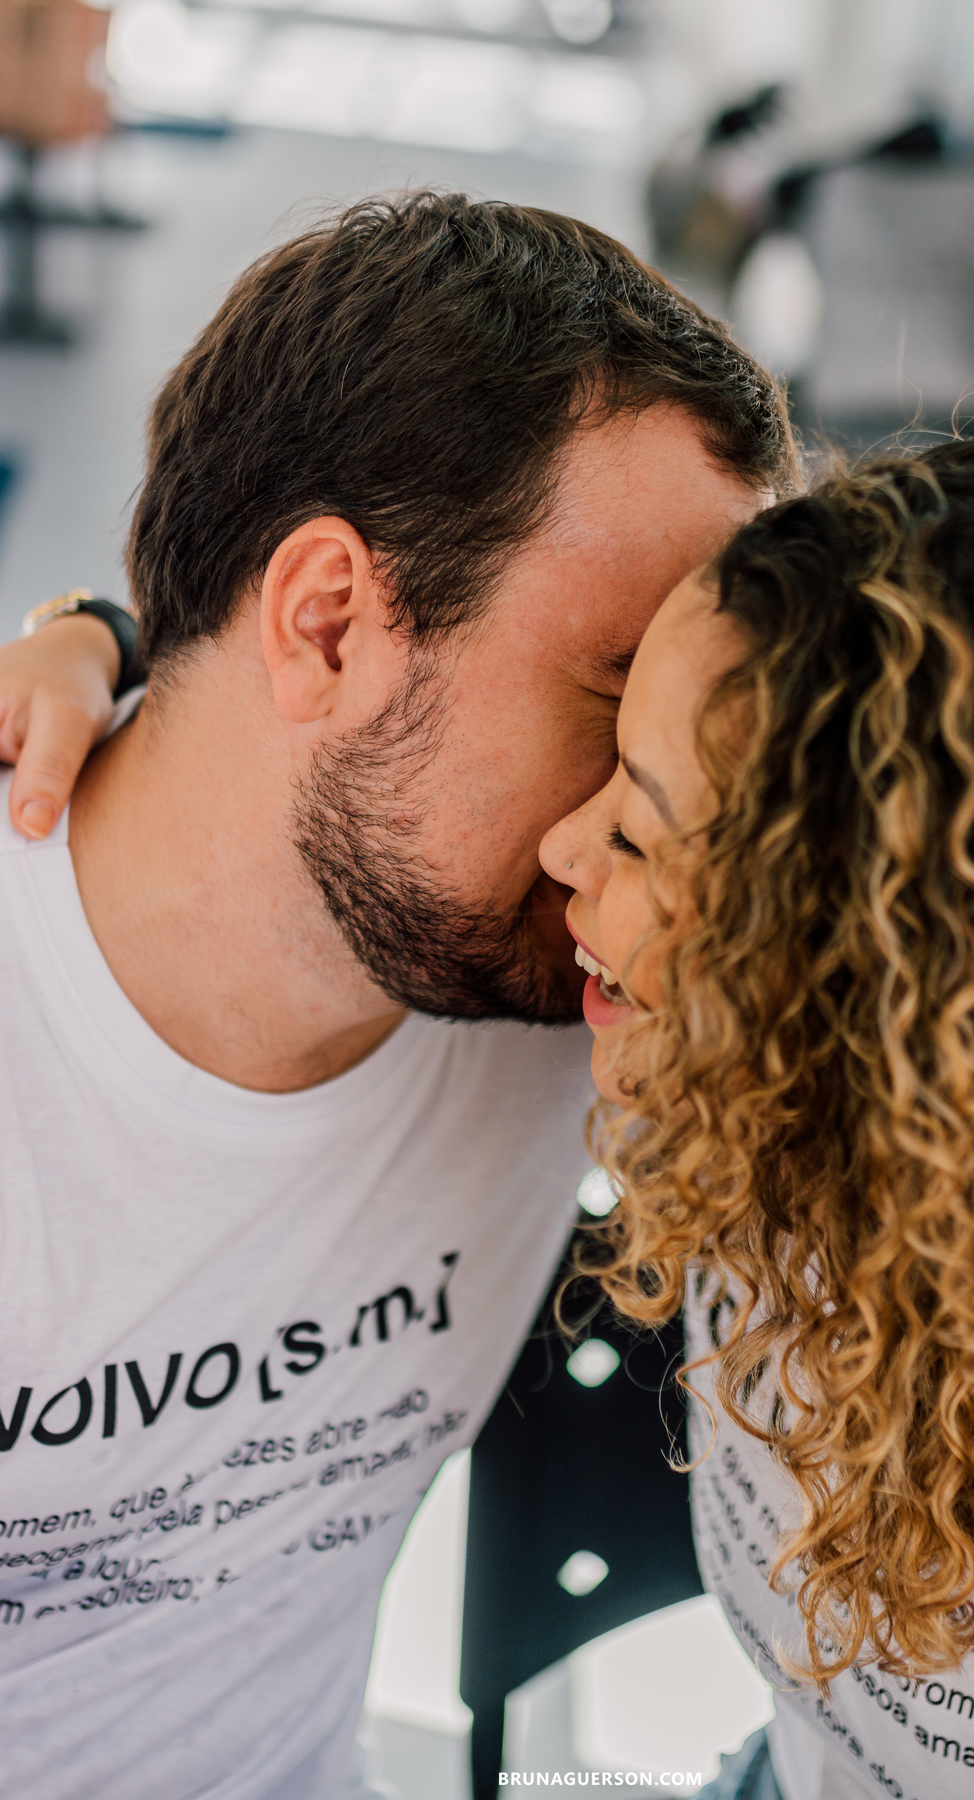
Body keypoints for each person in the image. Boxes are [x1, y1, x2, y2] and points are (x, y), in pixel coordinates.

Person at [0, 188, 790, 1799]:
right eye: (619, 694)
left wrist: (95, 625)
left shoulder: (595, 977)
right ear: (328, 619)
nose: (646, 821)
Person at [539, 434, 974, 1799]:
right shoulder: (750, 1106)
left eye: (642, 833)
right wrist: (101, 647)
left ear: (881, 981)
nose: (561, 847)